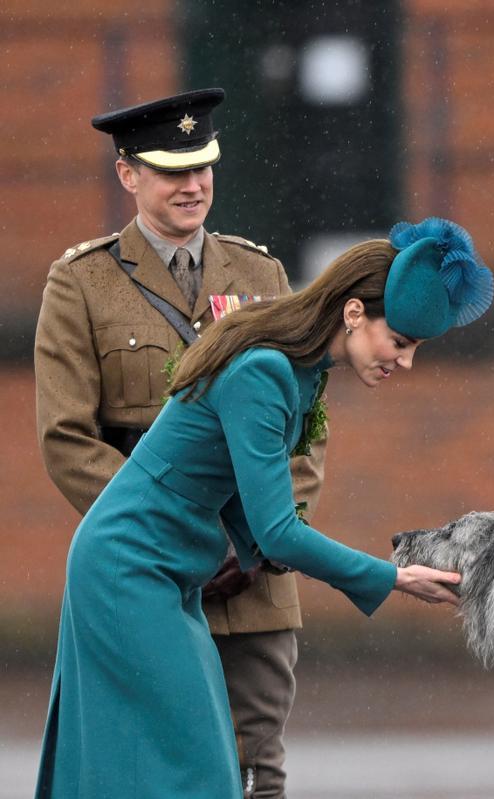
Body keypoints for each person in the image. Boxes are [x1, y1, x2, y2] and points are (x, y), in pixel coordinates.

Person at [34, 216, 493, 797]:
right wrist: (392, 578)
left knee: (197, 769)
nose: (405, 362)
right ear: (354, 314)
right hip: (129, 569)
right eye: (400, 343)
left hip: (164, 571)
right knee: (191, 773)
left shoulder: (298, 370)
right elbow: (277, 532)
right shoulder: (268, 371)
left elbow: (248, 511)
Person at [34, 88, 324, 797]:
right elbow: (68, 437)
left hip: (251, 577)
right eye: (171, 169)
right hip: (147, 580)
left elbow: (307, 433)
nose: (192, 184)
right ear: (128, 174)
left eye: (203, 166)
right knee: (150, 768)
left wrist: (260, 540)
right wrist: (170, 532)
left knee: (257, 770)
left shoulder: (263, 277)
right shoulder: (81, 283)